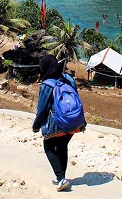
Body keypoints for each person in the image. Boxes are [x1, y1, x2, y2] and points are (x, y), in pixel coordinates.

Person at [32, 55, 85, 192]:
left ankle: (61, 178)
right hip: (73, 121)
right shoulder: (68, 79)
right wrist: (82, 121)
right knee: (62, 146)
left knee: (48, 146)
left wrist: (36, 125)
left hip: (57, 123)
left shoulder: (47, 85)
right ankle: (61, 177)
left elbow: (42, 109)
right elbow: (76, 99)